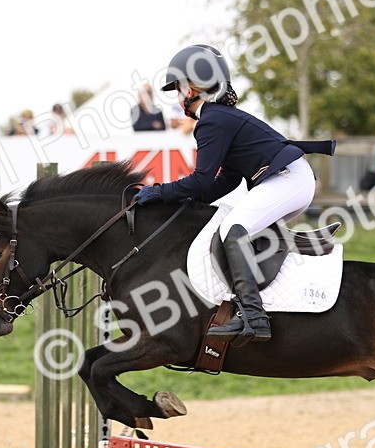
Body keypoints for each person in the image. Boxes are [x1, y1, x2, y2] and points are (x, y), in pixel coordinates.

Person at [132, 44, 335, 345]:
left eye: (177, 89)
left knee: (232, 229)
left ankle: (253, 316)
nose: (177, 98)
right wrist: (187, 201)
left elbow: (201, 180)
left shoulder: (212, 120)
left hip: (290, 179)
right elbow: (227, 179)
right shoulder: (220, 117)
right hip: (289, 179)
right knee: (233, 223)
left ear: (192, 87)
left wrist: (162, 192)